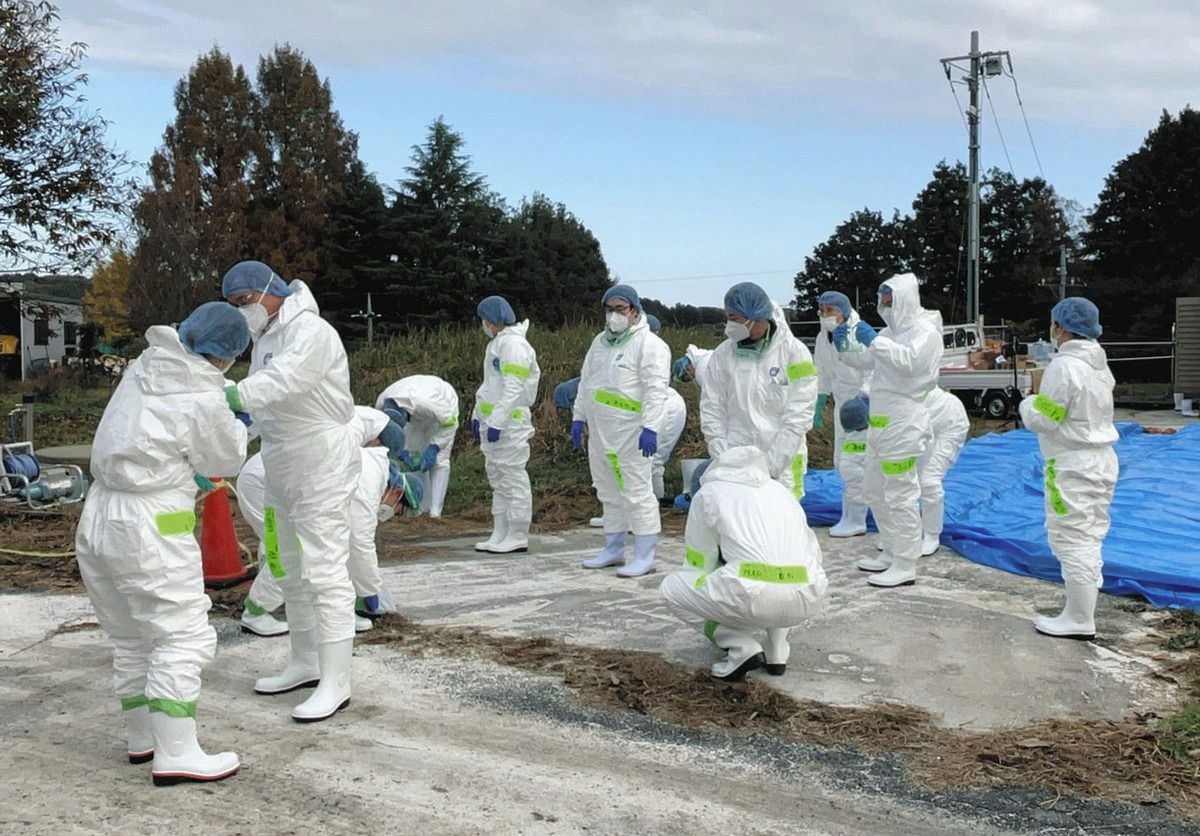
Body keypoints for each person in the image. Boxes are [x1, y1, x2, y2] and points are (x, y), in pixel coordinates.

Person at [75, 302, 249, 784]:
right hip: (152, 522)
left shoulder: (143, 367)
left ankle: (143, 739)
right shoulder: (204, 394)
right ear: (226, 355)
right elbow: (225, 458)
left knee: (131, 638)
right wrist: (241, 422)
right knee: (181, 635)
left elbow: (145, 436)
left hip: (99, 513)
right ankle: (178, 753)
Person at [222, 260, 359, 723]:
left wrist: (234, 396)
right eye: (235, 306)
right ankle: (304, 661)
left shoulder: (312, 332)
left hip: (320, 457)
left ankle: (336, 680)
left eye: (245, 302)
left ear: (268, 290)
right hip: (280, 459)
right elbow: (268, 406)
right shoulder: (266, 338)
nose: (243, 312)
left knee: (324, 565)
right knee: (285, 562)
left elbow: (285, 382)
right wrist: (240, 424)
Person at [237, 407, 422, 636]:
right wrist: (368, 592)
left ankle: (306, 605)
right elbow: (360, 544)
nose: (392, 514)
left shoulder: (373, 468)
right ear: (396, 492)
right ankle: (256, 612)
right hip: (266, 480)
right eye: (399, 510)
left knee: (306, 548)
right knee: (292, 551)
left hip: (286, 479)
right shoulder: (368, 486)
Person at [660, 446, 829, 681]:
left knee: (672, 589)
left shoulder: (708, 493)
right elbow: (812, 553)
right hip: (808, 594)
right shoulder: (781, 491)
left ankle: (740, 646)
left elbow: (699, 563)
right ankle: (777, 650)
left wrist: (720, 583)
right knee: (780, 567)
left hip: (753, 594)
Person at [1018, 297, 1117, 640]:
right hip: (1100, 460)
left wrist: (1027, 402)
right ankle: (1081, 607)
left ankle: (1078, 617)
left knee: (1071, 537)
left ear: (1060, 328)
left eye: (1054, 325)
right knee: (1089, 534)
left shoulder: (1064, 367)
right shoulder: (1099, 365)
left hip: (1073, 463)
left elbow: (1046, 418)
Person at [835, 274, 941, 588]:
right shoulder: (890, 332)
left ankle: (906, 562)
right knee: (874, 489)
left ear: (905, 299)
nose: (884, 306)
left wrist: (875, 340)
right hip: (880, 422)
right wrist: (845, 348)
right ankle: (891, 551)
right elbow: (869, 361)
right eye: (883, 300)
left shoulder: (925, 332)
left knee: (900, 492)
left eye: (889, 300)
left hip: (903, 420)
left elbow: (907, 362)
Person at [572, 284, 671, 577]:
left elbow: (656, 390)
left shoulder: (649, 345)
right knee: (607, 491)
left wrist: (651, 427)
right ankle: (613, 548)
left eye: (621, 309)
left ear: (635, 311)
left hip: (631, 432)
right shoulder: (599, 343)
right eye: (610, 309)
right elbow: (585, 381)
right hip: (601, 430)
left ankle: (645, 554)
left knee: (637, 492)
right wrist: (579, 417)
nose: (614, 315)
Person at [700, 282, 818, 500]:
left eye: (733, 317)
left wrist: (773, 464)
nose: (729, 324)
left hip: (784, 461)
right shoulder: (723, 354)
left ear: (753, 316)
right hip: (735, 458)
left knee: (782, 524)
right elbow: (712, 405)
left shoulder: (794, 353)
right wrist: (721, 451)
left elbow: (799, 414)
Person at [558, 373, 685, 522]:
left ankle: (634, 516)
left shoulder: (598, 399)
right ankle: (650, 510)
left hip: (656, 408)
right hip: (671, 403)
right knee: (653, 461)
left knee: (636, 464)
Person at [472, 295, 541, 554]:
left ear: (492, 320)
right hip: (494, 421)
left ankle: (518, 532)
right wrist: (477, 416)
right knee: (498, 478)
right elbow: (489, 387)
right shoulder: (498, 344)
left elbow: (513, 388)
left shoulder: (514, 345)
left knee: (512, 477)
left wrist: (498, 420)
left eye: (484, 320)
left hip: (510, 424)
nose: (483, 325)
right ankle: (500, 531)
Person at [814, 290, 871, 537]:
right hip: (841, 406)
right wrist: (819, 401)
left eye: (830, 310)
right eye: (822, 310)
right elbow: (823, 372)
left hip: (861, 406)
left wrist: (866, 398)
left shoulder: (861, 332)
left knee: (855, 462)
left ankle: (857, 519)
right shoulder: (822, 336)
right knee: (841, 461)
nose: (825, 315)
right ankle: (848, 513)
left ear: (843, 311)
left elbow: (874, 368)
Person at [375, 374, 459, 519]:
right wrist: (402, 451)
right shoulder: (382, 404)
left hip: (443, 410)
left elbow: (451, 424)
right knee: (416, 456)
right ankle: (420, 509)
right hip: (413, 416)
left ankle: (435, 513)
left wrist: (435, 447)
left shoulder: (429, 404)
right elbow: (390, 434)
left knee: (440, 460)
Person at [918, 387, 970, 556]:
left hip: (950, 422)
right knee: (907, 479)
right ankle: (910, 531)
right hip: (921, 421)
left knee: (928, 479)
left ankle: (932, 535)